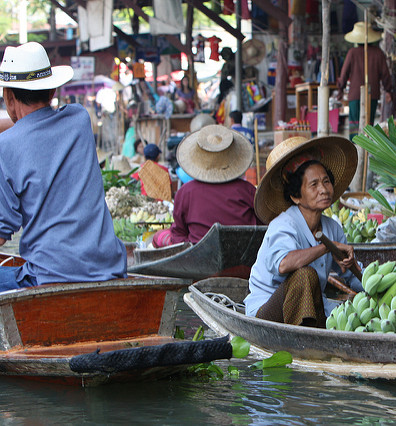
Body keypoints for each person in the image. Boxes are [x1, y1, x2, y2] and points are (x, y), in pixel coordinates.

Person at [0, 41, 127, 291]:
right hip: (109, 268)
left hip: (49, 276)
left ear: (8, 97)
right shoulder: (79, 119)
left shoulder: (5, 148)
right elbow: (34, 125)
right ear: (52, 92)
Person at [244, 136, 364, 327]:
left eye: (326, 182)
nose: (324, 190)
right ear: (296, 196)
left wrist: (355, 267)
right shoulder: (284, 225)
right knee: (304, 275)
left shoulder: (332, 227)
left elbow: (352, 277)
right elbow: (284, 264)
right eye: (314, 185)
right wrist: (327, 247)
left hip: (313, 308)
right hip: (268, 311)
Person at [152, 125, 261, 248]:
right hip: (243, 253)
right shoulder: (248, 190)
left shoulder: (185, 192)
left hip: (199, 256)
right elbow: (262, 225)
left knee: (160, 236)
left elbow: (179, 234)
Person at [336, 22, 393, 139]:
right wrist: (388, 90)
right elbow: (386, 75)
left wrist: (340, 89)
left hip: (355, 95)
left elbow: (344, 74)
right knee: (368, 124)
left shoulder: (352, 53)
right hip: (372, 94)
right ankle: (366, 150)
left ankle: (355, 151)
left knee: (355, 126)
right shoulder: (378, 53)